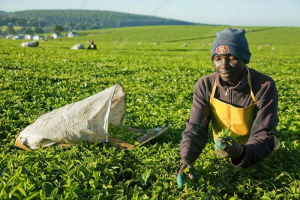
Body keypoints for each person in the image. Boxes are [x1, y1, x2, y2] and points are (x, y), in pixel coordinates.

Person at [176, 28, 280, 186]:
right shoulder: (205, 85)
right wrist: (186, 158)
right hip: (222, 148)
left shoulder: (263, 85)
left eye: (232, 58)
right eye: (217, 58)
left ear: (244, 58)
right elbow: (196, 128)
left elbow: (264, 134)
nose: (223, 65)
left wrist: (240, 151)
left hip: (256, 151)